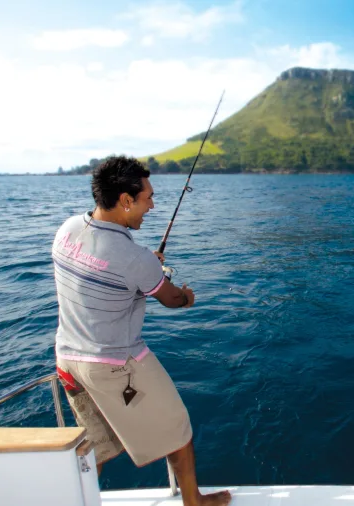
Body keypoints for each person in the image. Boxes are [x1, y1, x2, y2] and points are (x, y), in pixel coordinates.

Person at [51, 155, 230, 506]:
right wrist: (187, 296)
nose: (152, 205)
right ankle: (194, 502)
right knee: (177, 429)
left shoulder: (68, 228)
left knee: (96, 449)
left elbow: (105, 266)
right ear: (125, 200)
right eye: (147, 197)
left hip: (67, 359)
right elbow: (172, 299)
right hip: (115, 363)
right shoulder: (137, 260)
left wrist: (145, 266)